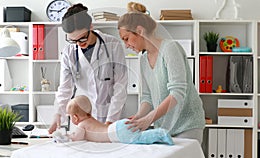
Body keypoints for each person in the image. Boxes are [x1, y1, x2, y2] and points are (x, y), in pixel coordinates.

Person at [117, 12, 205, 144]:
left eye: (126, 38)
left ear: (139, 31)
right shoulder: (143, 59)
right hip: (163, 127)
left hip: (187, 124)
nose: (126, 45)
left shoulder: (170, 49)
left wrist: (148, 119)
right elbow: (147, 97)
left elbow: (177, 92)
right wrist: (139, 117)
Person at [49, 4, 128, 134]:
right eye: (73, 40)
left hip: (110, 113)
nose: (79, 43)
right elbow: (65, 89)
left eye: (82, 38)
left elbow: (120, 85)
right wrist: (57, 114)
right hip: (81, 116)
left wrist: (110, 121)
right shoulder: (68, 53)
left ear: (91, 26)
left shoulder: (112, 45)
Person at [59, 95, 173, 145]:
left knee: (139, 138)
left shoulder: (82, 125)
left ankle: (159, 134)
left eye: (69, 116)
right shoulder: (91, 119)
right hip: (117, 126)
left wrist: (66, 137)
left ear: (75, 117)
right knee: (138, 134)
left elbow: (76, 137)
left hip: (116, 133)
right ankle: (157, 136)